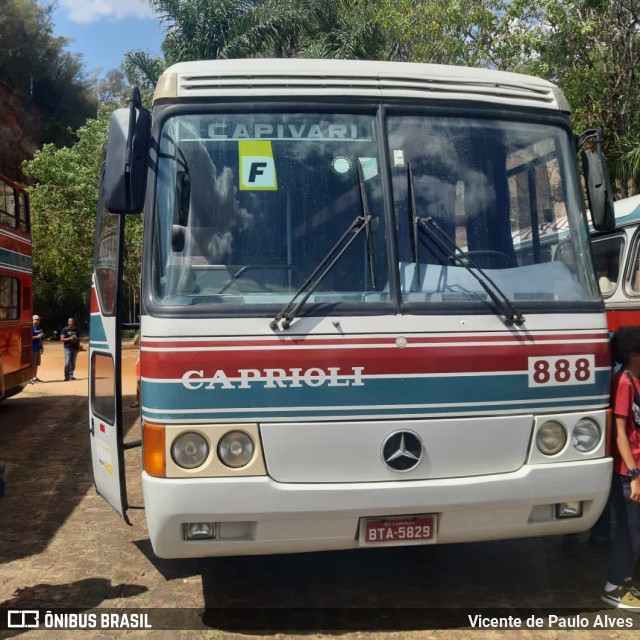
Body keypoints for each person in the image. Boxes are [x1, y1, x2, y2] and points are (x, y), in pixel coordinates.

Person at [601, 325, 640, 610]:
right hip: (630, 472)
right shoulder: (624, 382)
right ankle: (614, 586)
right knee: (628, 530)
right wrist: (634, 475)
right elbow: (619, 432)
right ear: (632, 353)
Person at [60, 317, 80, 381]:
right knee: (67, 363)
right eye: (69, 321)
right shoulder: (65, 329)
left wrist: (79, 347)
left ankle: (71, 375)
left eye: (72, 321)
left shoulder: (77, 330)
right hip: (68, 348)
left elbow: (79, 339)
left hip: (75, 348)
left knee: (73, 363)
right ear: (68, 322)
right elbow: (62, 339)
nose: (71, 323)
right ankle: (66, 376)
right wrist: (70, 339)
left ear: (74, 322)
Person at [30, 314, 44, 384]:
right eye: (37, 319)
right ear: (33, 320)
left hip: (37, 348)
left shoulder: (38, 328)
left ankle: (34, 377)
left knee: (36, 364)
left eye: (39, 319)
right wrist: (37, 337)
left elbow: (40, 338)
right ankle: (31, 378)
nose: (39, 321)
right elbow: (29, 338)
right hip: (32, 349)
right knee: (32, 364)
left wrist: (41, 347)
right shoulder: (30, 328)